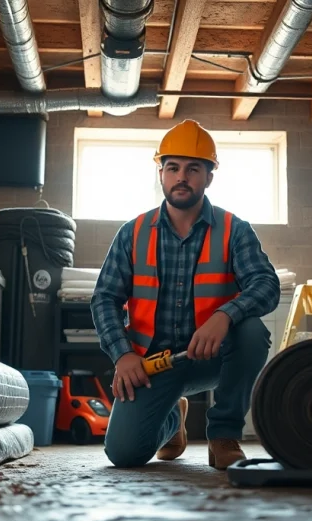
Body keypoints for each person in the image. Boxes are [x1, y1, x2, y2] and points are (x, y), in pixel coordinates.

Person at [89, 119, 281, 470]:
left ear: (209, 176)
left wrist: (225, 316)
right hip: (153, 362)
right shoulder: (132, 233)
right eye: (173, 168)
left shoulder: (234, 230)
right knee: (124, 454)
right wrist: (122, 356)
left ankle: (223, 435)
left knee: (252, 331)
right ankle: (173, 421)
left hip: (212, 356)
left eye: (194, 168)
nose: (182, 177)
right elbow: (105, 299)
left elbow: (266, 284)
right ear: (160, 174)